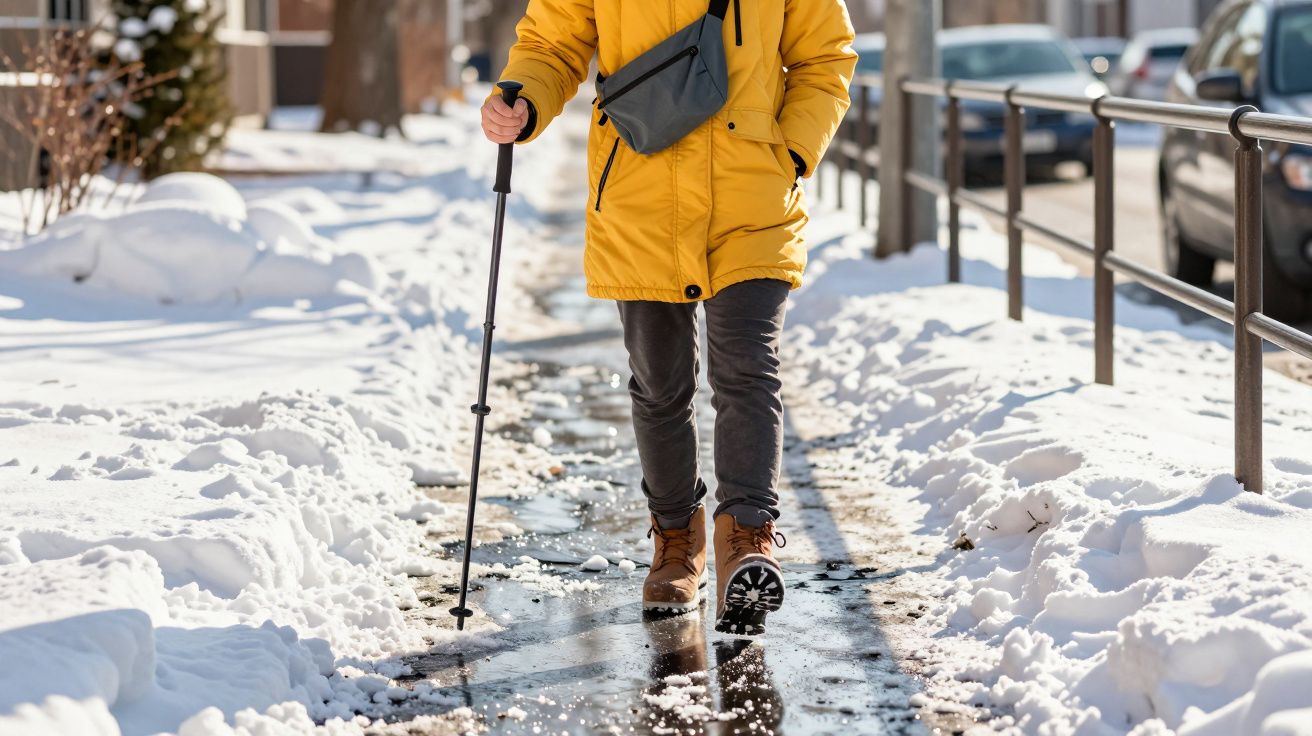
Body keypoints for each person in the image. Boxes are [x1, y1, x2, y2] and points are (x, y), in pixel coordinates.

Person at [481, 0, 856, 636]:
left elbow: (825, 59)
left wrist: (789, 153)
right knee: (660, 381)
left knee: (747, 365)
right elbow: (552, 43)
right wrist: (521, 96)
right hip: (640, 195)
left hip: (753, 199)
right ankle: (677, 538)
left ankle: (747, 534)